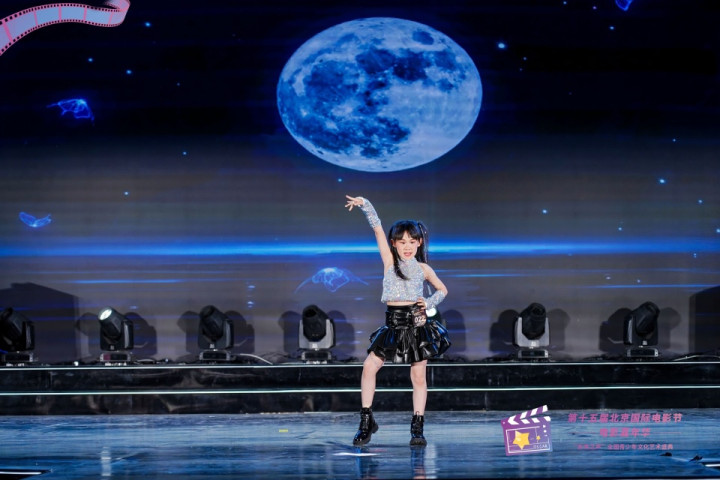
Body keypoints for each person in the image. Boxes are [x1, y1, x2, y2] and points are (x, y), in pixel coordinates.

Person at [345, 195, 451, 447]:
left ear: (419, 242)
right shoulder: (389, 262)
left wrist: (429, 302)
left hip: (416, 324)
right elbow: (377, 228)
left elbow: (442, 290)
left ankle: (417, 427)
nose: (407, 246)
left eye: (412, 241)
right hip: (393, 324)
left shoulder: (423, 268)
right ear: (394, 243)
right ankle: (366, 421)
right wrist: (365, 204)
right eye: (402, 242)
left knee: (418, 377)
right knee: (369, 366)